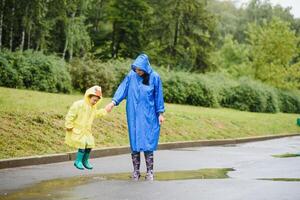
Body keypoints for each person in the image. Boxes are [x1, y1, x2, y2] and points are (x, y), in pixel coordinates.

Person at [106, 54, 165, 181]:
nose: (137, 72)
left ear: (145, 67)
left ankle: (150, 172)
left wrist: (160, 113)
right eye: (136, 69)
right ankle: (136, 171)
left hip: (148, 114)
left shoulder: (154, 77)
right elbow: (122, 89)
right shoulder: (131, 76)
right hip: (133, 113)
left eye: (139, 69)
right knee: (134, 141)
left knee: (147, 141)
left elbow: (158, 96)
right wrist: (113, 102)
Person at [65, 85, 109, 170]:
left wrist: (105, 110)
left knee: (90, 144)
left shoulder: (93, 108)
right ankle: (78, 161)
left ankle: (85, 160)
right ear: (89, 96)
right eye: (94, 100)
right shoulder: (79, 104)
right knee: (82, 144)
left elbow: (95, 114)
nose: (95, 102)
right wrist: (68, 125)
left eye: (97, 101)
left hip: (87, 131)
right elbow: (71, 115)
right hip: (78, 129)